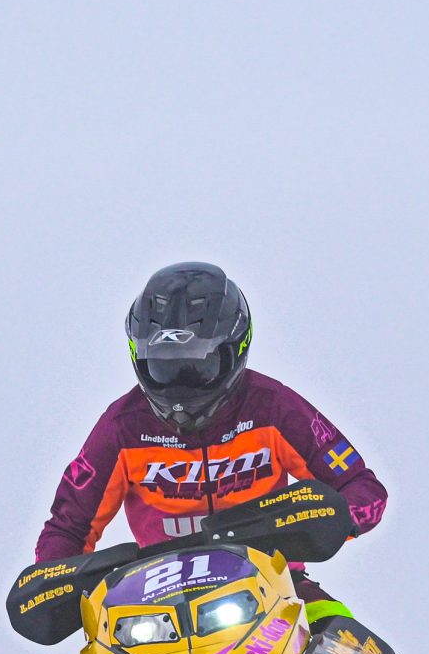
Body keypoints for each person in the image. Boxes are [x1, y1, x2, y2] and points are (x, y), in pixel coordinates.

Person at [33, 261, 389, 623]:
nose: (179, 383)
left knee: (350, 644)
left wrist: (334, 520)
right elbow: (68, 525)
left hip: (276, 586)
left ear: (234, 350)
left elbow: (361, 486)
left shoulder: (273, 407)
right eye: (163, 366)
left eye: (197, 365)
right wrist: (54, 586)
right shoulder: (122, 426)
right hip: (157, 604)